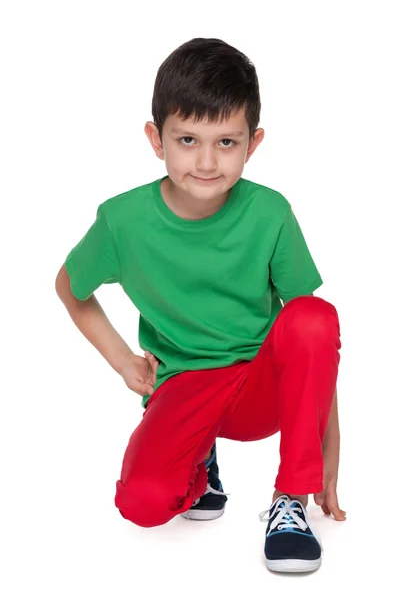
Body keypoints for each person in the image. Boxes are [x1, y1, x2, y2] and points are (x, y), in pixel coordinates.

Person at [55, 37, 346, 574]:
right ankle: (199, 462)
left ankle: (290, 503)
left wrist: (329, 444)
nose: (207, 161)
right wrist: (123, 361)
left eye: (227, 142)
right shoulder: (123, 222)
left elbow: (314, 341)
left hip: (260, 385)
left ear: (252, 144)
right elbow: (70, 288)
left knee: (314, 313)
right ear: (155, 138)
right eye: (187, 139)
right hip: (183, 383)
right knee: (142, 503)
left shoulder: (270, 212)